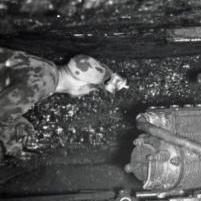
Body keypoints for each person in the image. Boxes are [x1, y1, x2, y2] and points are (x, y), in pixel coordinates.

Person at [0, 47, 128, 161]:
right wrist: (11, 145)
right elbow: (2, 114)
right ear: (82, 84)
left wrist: (18, 123)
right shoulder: (45, 83)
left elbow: (8, 103)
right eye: (91, 89)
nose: (88, 92)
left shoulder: (48, 70)